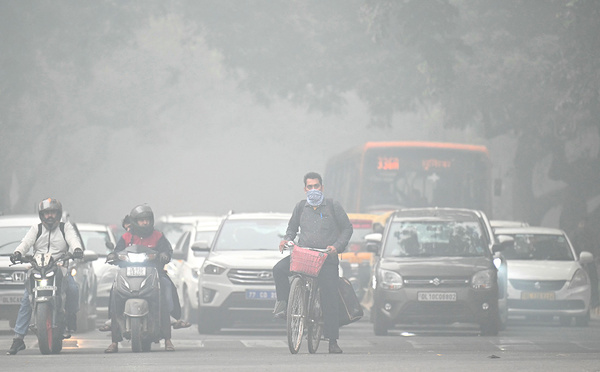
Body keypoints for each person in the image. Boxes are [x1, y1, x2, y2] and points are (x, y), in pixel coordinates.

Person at [273, 172, 353, 354]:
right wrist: (287, 239)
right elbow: (292, 228)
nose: (313, 190)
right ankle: (285, 306)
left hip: (326, 258)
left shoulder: (333, 206)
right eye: (310, 187)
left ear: (322, 188)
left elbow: (347, 228)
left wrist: (337, 246)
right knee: (278, 269)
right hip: (303, 256)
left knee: (330, 296)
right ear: (305, 189)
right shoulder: (301, 207)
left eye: (316, 186)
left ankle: (332, 341)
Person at [104, 205, 189, 353]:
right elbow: (117, 251)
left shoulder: (158, 236)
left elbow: (166, 250)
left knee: (165, 288)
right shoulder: (126, 237)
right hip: (128, 273)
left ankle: (168, 336)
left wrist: (164, 255)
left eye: (147, 220)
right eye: (142, 220)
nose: (145, 223)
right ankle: (114, 340)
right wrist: (113, 255)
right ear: (135, 222)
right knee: (115, 290)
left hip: (154, 273)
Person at [7, 198, 83, 355]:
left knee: (73, 288)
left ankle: (70, 318)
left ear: (58, 214)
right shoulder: (36, 228)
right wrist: (18, 253)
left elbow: (73, 240)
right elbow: (25, 242)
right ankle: (18, 339)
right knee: (27, 299)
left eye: (53, 212)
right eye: (46, 213)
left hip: (60, 267)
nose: (50, 216)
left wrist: (76, 249)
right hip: (38, 268)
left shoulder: (65, 227)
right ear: (42, 215)